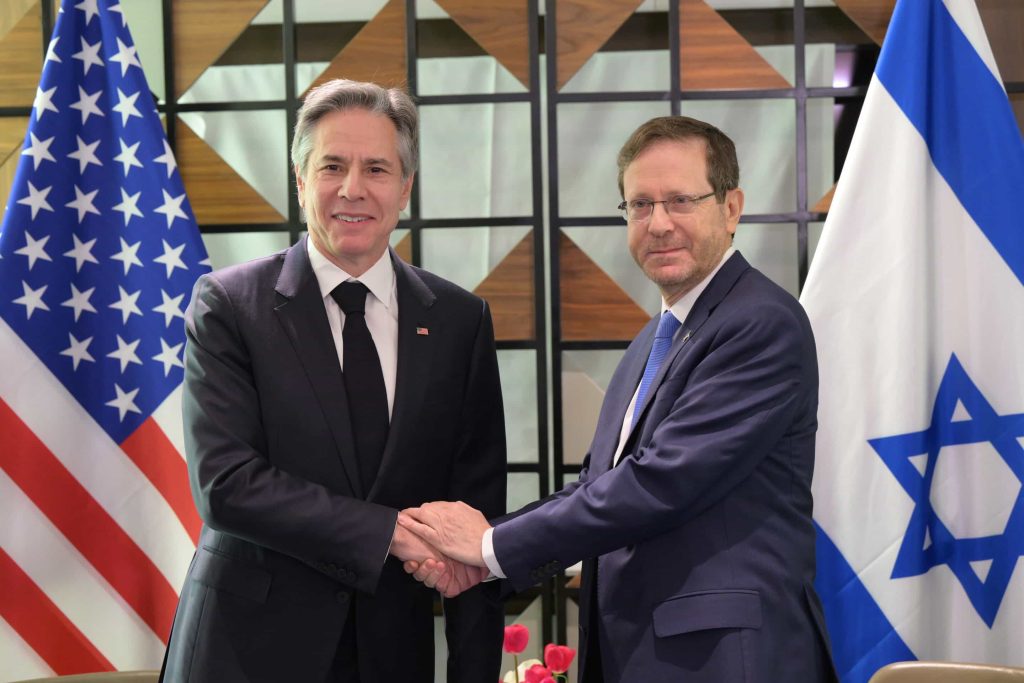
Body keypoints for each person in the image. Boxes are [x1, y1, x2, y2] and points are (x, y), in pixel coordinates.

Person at [401, 116, 838, 682]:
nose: (658, 224)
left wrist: (489, 546)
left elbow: (659, 483)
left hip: (727, 661)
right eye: (639, 205)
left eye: (680, 200)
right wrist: (484, 560)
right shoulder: (649, 344)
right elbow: (596, 486)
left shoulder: (760, 323)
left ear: (731, 208)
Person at [160, 79, 505, 682]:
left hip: (393, 656)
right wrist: (389, 534)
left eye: (376, 168)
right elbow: (226, 484)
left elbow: (474, 520)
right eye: (332, 167)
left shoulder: (459, 321)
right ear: (300, 181)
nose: (353, 189)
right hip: (245, 654)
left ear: (405, 188)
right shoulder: (230, 305)